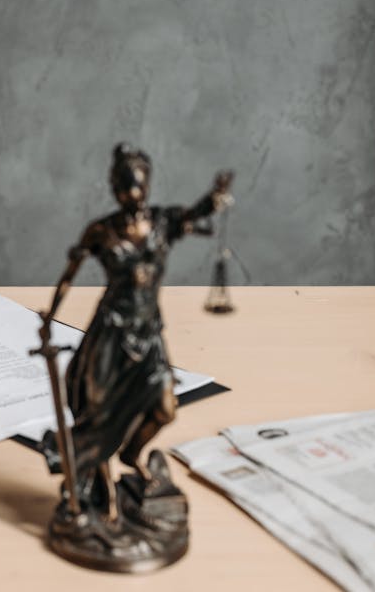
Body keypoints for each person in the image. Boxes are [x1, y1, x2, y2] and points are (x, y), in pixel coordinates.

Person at [42, 144, 232, 520]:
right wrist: (50, 317)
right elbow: (70, 273)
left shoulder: (163, 223)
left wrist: (215, 197)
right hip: (110, 337)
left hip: (148, 335)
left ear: (148, 185)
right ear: (113, 188)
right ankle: (103, 486)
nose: (130, 194)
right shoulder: (102, 230)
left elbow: (197, 213)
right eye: (123, 187)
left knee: (164, 408)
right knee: (101, 413)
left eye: (138, 186)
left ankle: (131, 455)